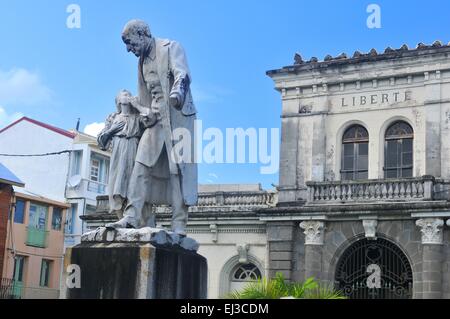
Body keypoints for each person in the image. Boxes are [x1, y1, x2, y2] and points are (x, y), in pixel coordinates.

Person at [106, 19, 198, 236]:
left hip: (178, 118)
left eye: (130, 43)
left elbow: (182, 74)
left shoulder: (171, 47)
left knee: (178, 172)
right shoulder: (141, 62)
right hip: (155, 119)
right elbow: (146, 95)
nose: (129, 49)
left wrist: (178, 93)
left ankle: (179, 225)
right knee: (141, 164)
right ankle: (132, 216)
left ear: (143, 34)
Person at [98, 89, 155, 219]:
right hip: (118, 151)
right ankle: (120, 218)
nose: (127, 96)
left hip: (134, 149)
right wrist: (111, 131)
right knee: (117, 184)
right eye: (124, 94)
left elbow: (151, 120)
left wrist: (138, 106)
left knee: (133, 183)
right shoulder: (112, 117)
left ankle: (132, 216)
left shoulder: (137, 117)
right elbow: (102, 143)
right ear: (118, 100)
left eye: (129, 94)